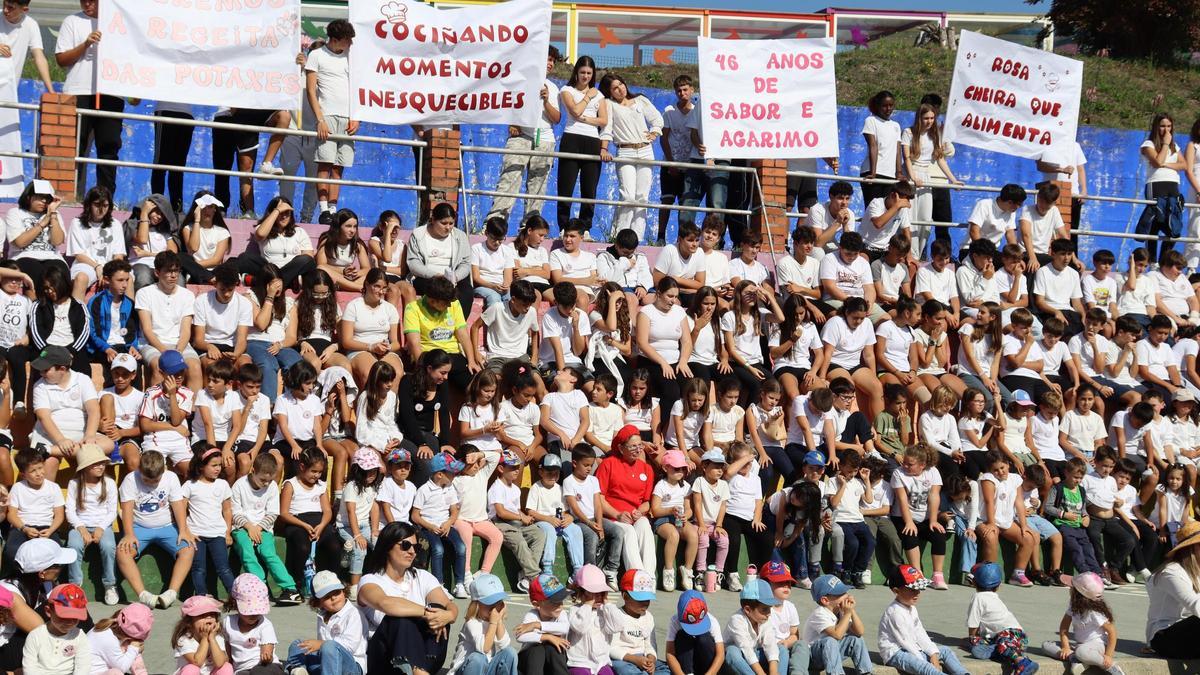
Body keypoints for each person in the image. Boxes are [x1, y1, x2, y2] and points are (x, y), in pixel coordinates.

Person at [359, 522, 459, 675]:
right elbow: (387, 604)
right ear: (387, 546)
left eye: (416, 547)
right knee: (400, 619)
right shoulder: (370, 581)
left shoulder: (422, 576)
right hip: (385, 661)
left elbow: (447, 604)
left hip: (425, 655)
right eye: (406, 545)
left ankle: (420, 670)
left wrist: (449, 615)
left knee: (440, 612)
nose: (412, 551)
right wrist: (427, 613)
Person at [55, 0, 122, 197]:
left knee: (109, 147)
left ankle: (105, 198)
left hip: (110, 92)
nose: (87, 4)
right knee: (76, 145)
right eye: (83, 0)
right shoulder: (72, 21)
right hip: (78, 90)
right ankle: (71, 195)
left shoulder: (119, 22)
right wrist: (85, 44)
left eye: (92, 0)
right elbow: (61, 59)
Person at [487, 46, 561, 223]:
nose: (549, 63)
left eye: (552, 60)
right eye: (547, 58)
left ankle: (530, 226)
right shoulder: (521, 80)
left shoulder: (553, 87)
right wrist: (513, 122)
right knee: (509, 178)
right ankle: (495, 222)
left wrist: (545, 100)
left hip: (544, 139)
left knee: (538, 185)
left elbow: (556, 118)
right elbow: (509, 104)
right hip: (521, 136)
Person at [600, 72, 663, 242]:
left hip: (645, 151)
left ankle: (637, 239)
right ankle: (617, 236)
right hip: (625, 150)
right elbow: (607, 128)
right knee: (627, 195)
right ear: (610, 92)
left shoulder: (641, 100)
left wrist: (654, 132)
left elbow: (657, 119)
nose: (620, 89)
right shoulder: (609, 104)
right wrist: (604, 148)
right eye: (614, 88)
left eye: (621, 84)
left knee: (642, 197)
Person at [305, 19, 357, 218]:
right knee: (325, 163)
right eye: (347, 40)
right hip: (326, 115)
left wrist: (356, 117)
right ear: (335, 40)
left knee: (339, 166)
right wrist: (320, 120)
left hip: (348, 119)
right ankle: (324, 209)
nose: (350, 44)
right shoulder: (317, 55)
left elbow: (357, 89)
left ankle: (334, 210)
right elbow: (311, 90)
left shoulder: (351, 58)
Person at [878, 565, 969, 675]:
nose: (917, 593)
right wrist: (925, 660)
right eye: (912, 589)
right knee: (927, 668)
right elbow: (906, 642)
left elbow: (919, 632)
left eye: (919, 588)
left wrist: (933, 654)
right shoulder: (895, 613)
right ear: (896, 591)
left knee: (946, 651)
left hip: (914, 648)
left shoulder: (912, 608)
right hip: (896, 653)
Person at [902, 103, 962, 258]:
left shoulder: (935, 135)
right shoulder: (908, 132)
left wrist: (953, 180)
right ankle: (908, 252)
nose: (929, 121)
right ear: (919, 118)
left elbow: (940, 159)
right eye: (926, 118)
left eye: (932, 118)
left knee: (925, 219)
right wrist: (913, 176)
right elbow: (907, 157)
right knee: (909, 217)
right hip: (912, 177)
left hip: (926, 178)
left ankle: (918, 252)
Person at [556, 56, 608, 230]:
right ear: (576, 73)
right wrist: (587, 97)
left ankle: (585, 228)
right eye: (582, 72)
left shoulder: (599, 94)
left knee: (589, 188)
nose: (585, 76)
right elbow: (575, 110)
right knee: (566, 186)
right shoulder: (567, 90)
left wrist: (585, 118)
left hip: (592, 141)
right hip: (571, 138)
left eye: (589, 73)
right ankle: (564, 227)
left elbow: (603, 121)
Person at [597, 425, 658, 574]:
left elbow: (647, 502)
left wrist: (639, 512)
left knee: (644, 525)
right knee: (628, 531)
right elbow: (599, 498)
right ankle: (636, 574)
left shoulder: (646, 469)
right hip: (612, 517)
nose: (638, 450)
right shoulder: (608, 464)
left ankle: (649, 575)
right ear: (621, 447)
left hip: (634, 515)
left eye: (640, 445)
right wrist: (617, 514)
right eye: (632, 447)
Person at [635, 277, 694, 428]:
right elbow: (642, 343)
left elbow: (687, 341)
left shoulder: (679, 312)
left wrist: (683, 361)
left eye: (676, 296)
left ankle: (685, 429)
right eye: (670, 296)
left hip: (676, 361)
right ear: (659, 293)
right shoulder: (646, 312)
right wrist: (663, 363)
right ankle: (662, 429)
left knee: (691, 387)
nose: (673, 300)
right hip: (652, 361)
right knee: (671, 391)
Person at [64, 443, 118, 605]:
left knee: (108, 546)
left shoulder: (109, 483)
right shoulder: (74, 484)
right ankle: (75, 586)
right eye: (96, 463)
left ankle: (109, 585)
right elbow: (70, 511)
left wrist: (101, 528)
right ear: (85, 467)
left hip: (103, 524)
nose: (101, 466)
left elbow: (112, 511)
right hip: (80, 524)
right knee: (73, 546)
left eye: (102, 463)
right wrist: (81, 529)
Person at [285, 570, 367, 675]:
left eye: (337, 592)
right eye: (327, 596)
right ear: (318, 603)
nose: (333, 598)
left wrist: (321, 644)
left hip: (352, 666)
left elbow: (350, 646)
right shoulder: (323, 615)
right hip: (327, 663)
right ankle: (299, 670)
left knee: (329, 646)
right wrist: (319, 647)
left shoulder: (354, 614)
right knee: (298, 644)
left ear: (344, 591)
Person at [1042, 572, 1124, 675]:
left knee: (1082, 652)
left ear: (1078, 593)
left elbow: (1112, 632)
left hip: (1098, 645)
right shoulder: (1073, 606)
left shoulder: (1094, 612)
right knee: (1046, 645)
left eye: (1072, 587)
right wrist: (1065, 647)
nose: (1070, 588)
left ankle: (1111, 667)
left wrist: (1108, 656)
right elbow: (1064, 627)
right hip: (1080, 646)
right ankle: (1074, 658)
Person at [964, 562, 1037, 673]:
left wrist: (972, 639)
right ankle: (1000, 651)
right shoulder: (994, 597)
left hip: (1010, 634)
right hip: (1017, 639)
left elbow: (973, 625)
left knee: (986, 643)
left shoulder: (978, 597)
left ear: (973, 582)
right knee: (991, 646)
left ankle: (1023, 662)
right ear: (998, 586)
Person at [406, 202, 474, 313]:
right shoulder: (418, 235)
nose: (448, 227)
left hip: (452, 279)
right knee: (438, 290)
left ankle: (458, 326)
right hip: (427, 277)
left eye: (451, 223)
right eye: (444, 223)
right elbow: (413, 263)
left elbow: (465, 263)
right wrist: (435, 275)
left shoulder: (460, 236)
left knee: (467, 291)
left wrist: (455, 276)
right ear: (433, 220)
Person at [236, 197, 318, 289]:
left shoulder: (299, 231)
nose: (284, 216)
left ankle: (257, 281)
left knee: (307, 260)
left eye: (287, 213)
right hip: (268, 269)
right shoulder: (263, 228)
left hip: (292, 270)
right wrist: (277, 210)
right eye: (280, 213)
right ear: (272, 213)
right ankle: (288, 283)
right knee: (245, 257)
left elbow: (308, 257)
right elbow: (260, 234)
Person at [1140, 112, 1187, 263]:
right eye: (1162, 126)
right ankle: (1152, 261)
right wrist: (1165, 144)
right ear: (1156, 127)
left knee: (1173, 222)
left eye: (1168, 126)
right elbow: (1157, 162)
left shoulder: (1175, 146)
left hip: (1172, 184)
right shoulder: (1148, 145)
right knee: (1156, 219)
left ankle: (1164, 260)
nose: (1166, 130)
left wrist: (1167, 164)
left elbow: (1184, 164)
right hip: (1156, 184)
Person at [5, 180, 68, 287]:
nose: (44, 201)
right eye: (40, 197)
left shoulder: (55, 215)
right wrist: (43, 222)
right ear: (29, 197)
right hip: (23, 256)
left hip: (52, 257)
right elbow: (20, 242)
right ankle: (37, 303)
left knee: (58, 273)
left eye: (48, 198)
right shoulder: (15, 213)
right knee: (36, 272)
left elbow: (57, 241)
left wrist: (52, 214)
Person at [803, 574, 870, 675]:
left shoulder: (841, 611)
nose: (846, 596)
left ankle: (866, 672)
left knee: (856, 639)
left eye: (845, 592)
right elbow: (837, 635)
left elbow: (860, 632)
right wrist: (847, 614)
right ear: (825, 600)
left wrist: (851, 611)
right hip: (813, 658)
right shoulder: (819, 613)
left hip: (832, 654)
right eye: (840, 594)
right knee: (830, 641)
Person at [657, 76, 697, 246]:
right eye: (679, 90)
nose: (682, 93)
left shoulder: (697, 111)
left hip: (689, 166)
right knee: (666, 201)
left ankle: (683, 240)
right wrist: (671, 163)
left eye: (685, 89)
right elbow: (663, 139)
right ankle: (660, 237)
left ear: (692, 90)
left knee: (685, 206)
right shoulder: (669, 111)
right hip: (670, 164)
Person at [66, 186, 124, 301]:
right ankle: (77, 315)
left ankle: (127, 317)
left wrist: (109, 270)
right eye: (97, 205)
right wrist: (97, 267)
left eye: (105, 206)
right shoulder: (77, 223)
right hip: (85, 264)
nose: (101, 209)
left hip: (110, 265)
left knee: (128, 278)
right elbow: (79, 254)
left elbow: (119, 255)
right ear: (89, 205)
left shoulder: (115, 224)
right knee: (81, 278)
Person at [222, 573, 286, 675]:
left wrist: (267, 656)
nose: (254, 615)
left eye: (257, 611)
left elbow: (268, 649)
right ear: (234, 603)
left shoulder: (265, 625)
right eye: (249, 611)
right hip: (242, 670)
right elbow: (227, 649)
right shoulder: (228, 623)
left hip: (266, 666)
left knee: (259, 671)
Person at [22, 583, 92, 673]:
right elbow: (29, 668)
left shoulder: (79, 636)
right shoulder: (35, 636)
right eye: (64, 617)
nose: (70, 622)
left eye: (75, 618)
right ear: (48, 611)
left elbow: (83, 667)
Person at [723, 578, 782, 675]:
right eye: (764, 609)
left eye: (769, 609)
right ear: (747, 610)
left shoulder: (764, 619)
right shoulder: (736, 620)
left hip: (754, 656)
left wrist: (773, 672)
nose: (768, 614)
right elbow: (746, 649)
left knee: (781, 650)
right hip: (738, 662)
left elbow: (770, 643)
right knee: (732, 651)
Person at [178, 191, 233, 285]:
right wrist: (197, 221)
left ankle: (206, 277)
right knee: (181, 257)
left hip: (213, 271)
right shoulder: (188, 228)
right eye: (203, 206)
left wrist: (194, 266)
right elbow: (193, 248)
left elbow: (216, 260)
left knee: (232, 263)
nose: (207, 211)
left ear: (215, 209)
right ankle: (207, 278)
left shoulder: (222, 232)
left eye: (210, 207)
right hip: (193, 272)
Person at [151, 101, 196, 214]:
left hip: (187, 114)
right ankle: (156, 206)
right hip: (166, 109)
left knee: (178, 168)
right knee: (160, 164)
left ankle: (177, 209)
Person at [85, 602, 154, 675]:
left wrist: (134, 649)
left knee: (129, 652)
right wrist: (134, 648)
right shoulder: (107, 638)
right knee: (115, 673)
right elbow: (122, 667)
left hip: (104, 671)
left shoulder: (111, 629)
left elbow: (133, 660)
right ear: (128, 637)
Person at [0, 0, 54, 92]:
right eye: (4, 4)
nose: (5, 10)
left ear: (24, 10)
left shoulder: (31, 25)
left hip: (9, 89)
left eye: (11, 7)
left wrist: (51, 90)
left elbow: (39, 57)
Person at [170, 594, 231, 675]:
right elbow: (197, 662)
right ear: (189, 622)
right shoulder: (184, 639)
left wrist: (212, 639)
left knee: (226, 667)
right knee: (191, 668)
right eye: (202, 615)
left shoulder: (217, 637)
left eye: (212, 615)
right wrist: (205, 638)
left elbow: (219, 663)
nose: (209, 618)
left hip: (211, 672)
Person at [860, 90, 901, 206]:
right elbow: (873, 146)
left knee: (887, 211)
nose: (888, 109)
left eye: (891, 105)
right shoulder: (871, 121)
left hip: (890, 174)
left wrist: (899, 172)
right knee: (873, 210)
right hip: (873, 172)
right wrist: (873, 173)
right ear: (877, 106)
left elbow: (897, 150)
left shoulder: (896, 125)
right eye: (884, 106)